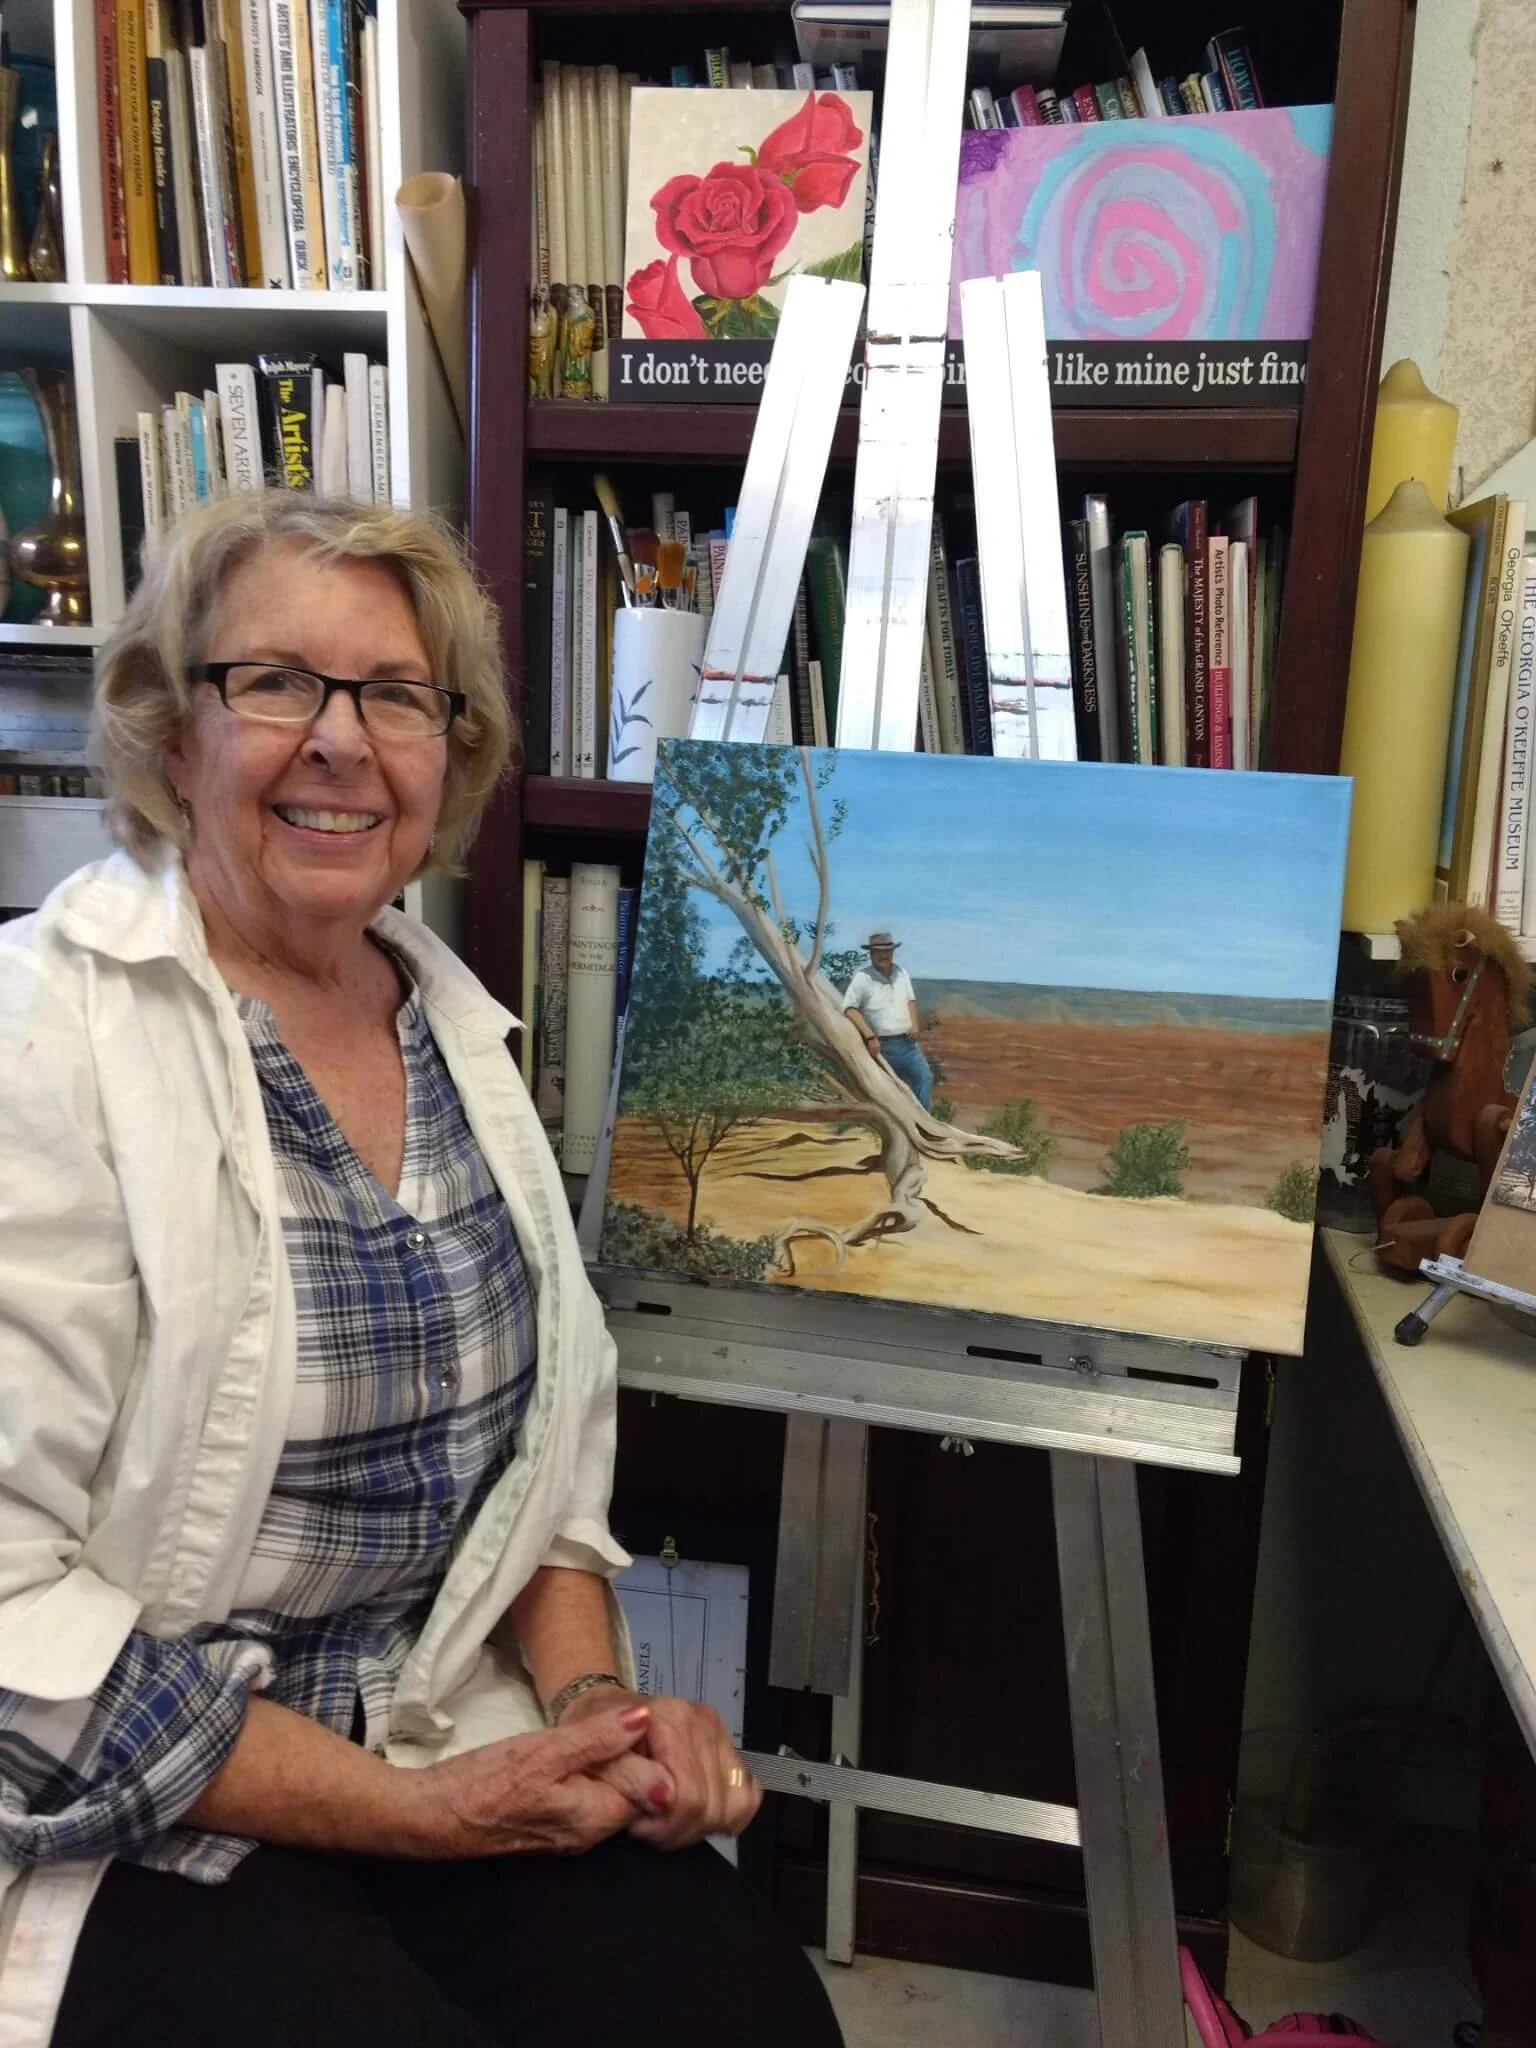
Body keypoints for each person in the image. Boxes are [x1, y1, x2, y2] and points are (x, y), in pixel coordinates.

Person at [0, 493, 843, 2048]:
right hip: (138, 1810)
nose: (342, 740)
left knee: (752, 2020)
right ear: (168, 728)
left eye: (396, 695)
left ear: (447, 757)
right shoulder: (41, 1037)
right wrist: (422, 1814)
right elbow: (11, 1653)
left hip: (436, 1726)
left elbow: (534, 1484)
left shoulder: (453, 1026)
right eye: (275, 682)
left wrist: (599, 1717)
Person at [842, 931, 933, 1110]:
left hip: (908, 1044)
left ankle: (923, 1122)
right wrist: (869, 1036)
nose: (884, 955)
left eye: (887, 951)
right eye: (878, 952)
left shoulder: (901, 973)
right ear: (871, 954)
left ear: (892, 952)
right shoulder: (862, 978)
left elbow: (910, 1000)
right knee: (889, 1092)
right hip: (882, 1047)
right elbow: (849, 1008)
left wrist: (915, 1025)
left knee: (924, 1077)